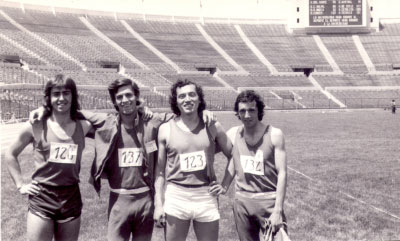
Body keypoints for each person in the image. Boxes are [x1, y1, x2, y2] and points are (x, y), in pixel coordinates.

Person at [29, 78, 217, 241]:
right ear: (114, 102)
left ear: (137, 98)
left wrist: (203, 112)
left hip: (146, 200)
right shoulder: (105, 122)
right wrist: (44, 108)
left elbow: (182, 116)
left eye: (129, 95)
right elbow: (72, 111)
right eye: (119, 97)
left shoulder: (152, 121)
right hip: (118, 199)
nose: (125, 100)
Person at [5, 74, 92, 241]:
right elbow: (10, 154)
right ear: (49, 97)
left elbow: (112, 123)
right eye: (56, 94)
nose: (61, 98)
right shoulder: (36, 125)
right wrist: (20, 185)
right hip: (42, 196)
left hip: (71, 196)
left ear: (73, 96)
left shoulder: (84, 126)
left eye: (66, 93)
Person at [153, 79, 232, 241]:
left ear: (199, 98)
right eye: (182, 96)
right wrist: (158, 204)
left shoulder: (212, 126)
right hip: (177, 195)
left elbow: (233, 155)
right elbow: (160, 171)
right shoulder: (165, 129)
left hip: (206, 195)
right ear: (176, 101)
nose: (187, 99)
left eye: (192, 95)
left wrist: (224, 185)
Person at [220, 90, 288, 241]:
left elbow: (282, 173)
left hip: (268, 201)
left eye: (251, 110)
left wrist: (278, 210)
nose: (247, 115)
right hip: (242, 203)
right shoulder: (233, 133)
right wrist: (224, 185)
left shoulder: (274, 134)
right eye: (242, 111)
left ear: (259, 111)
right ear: (237, 113)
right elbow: (233, 160)